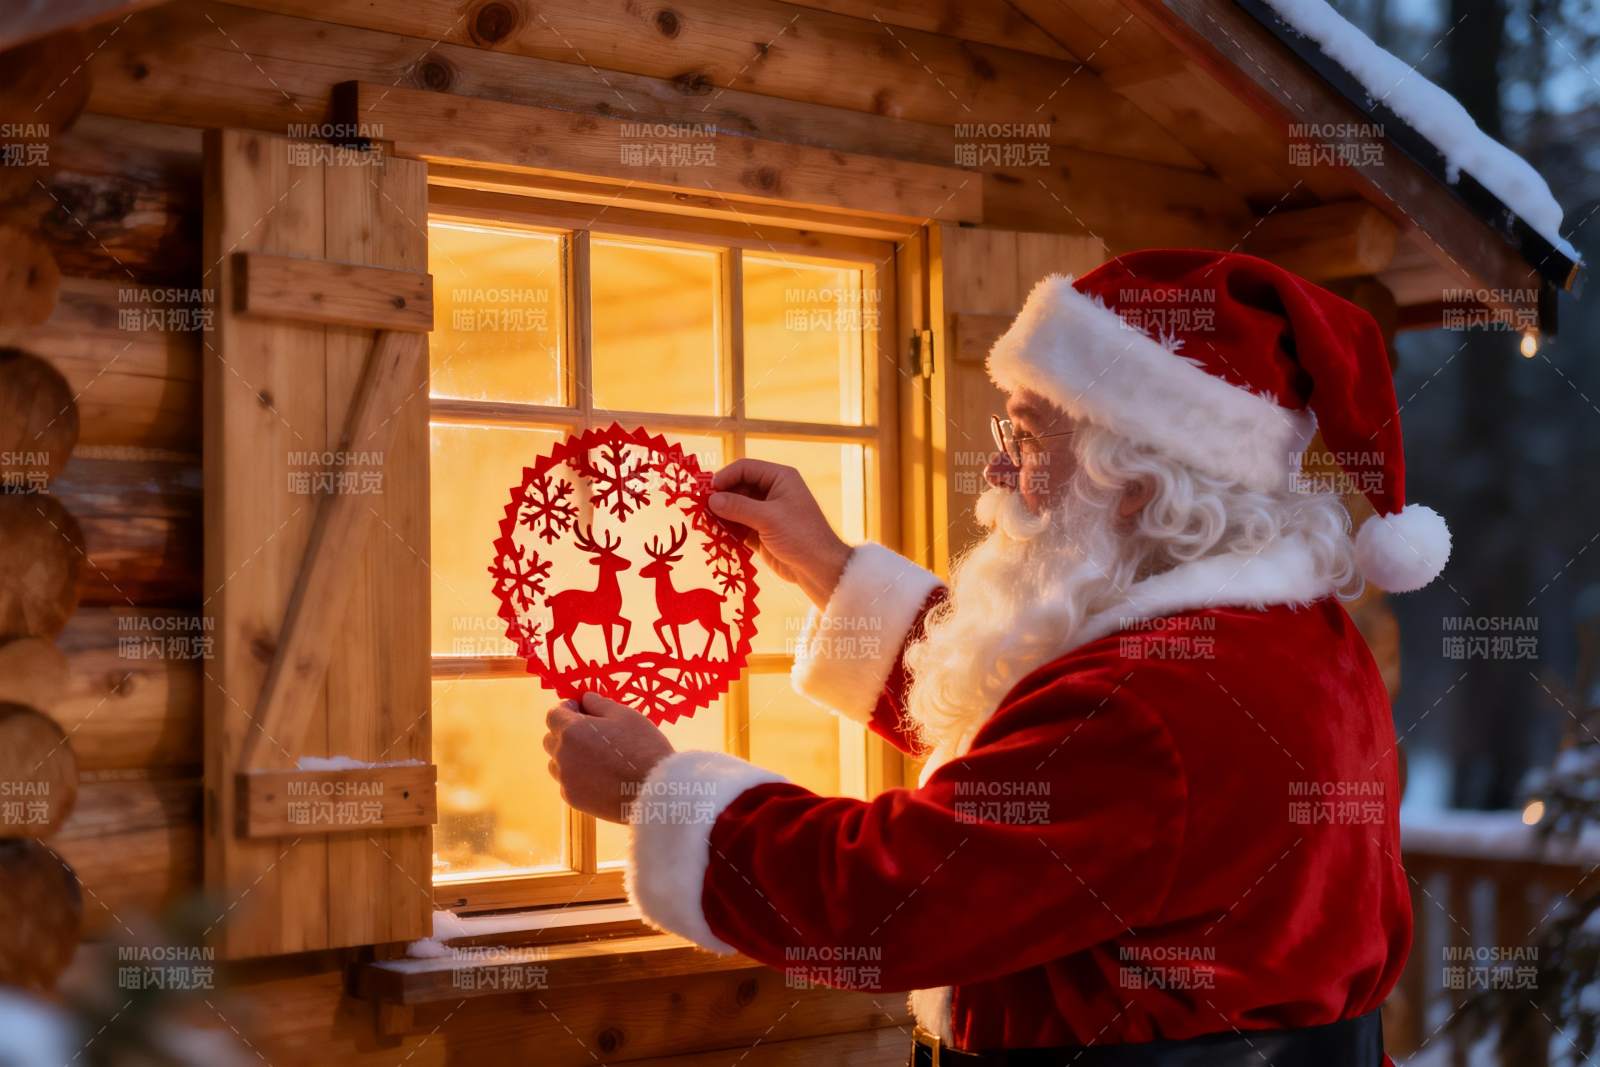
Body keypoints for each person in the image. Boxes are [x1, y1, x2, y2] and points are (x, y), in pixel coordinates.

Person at [543, 249, 1451, 1065]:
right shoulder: (1278, 632)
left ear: (1135, 483)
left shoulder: (1152, 702)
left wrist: (654, 793)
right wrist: (827, 567)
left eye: (1025, 435)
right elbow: (1038, 741)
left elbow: (889, 900)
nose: (999, 471)